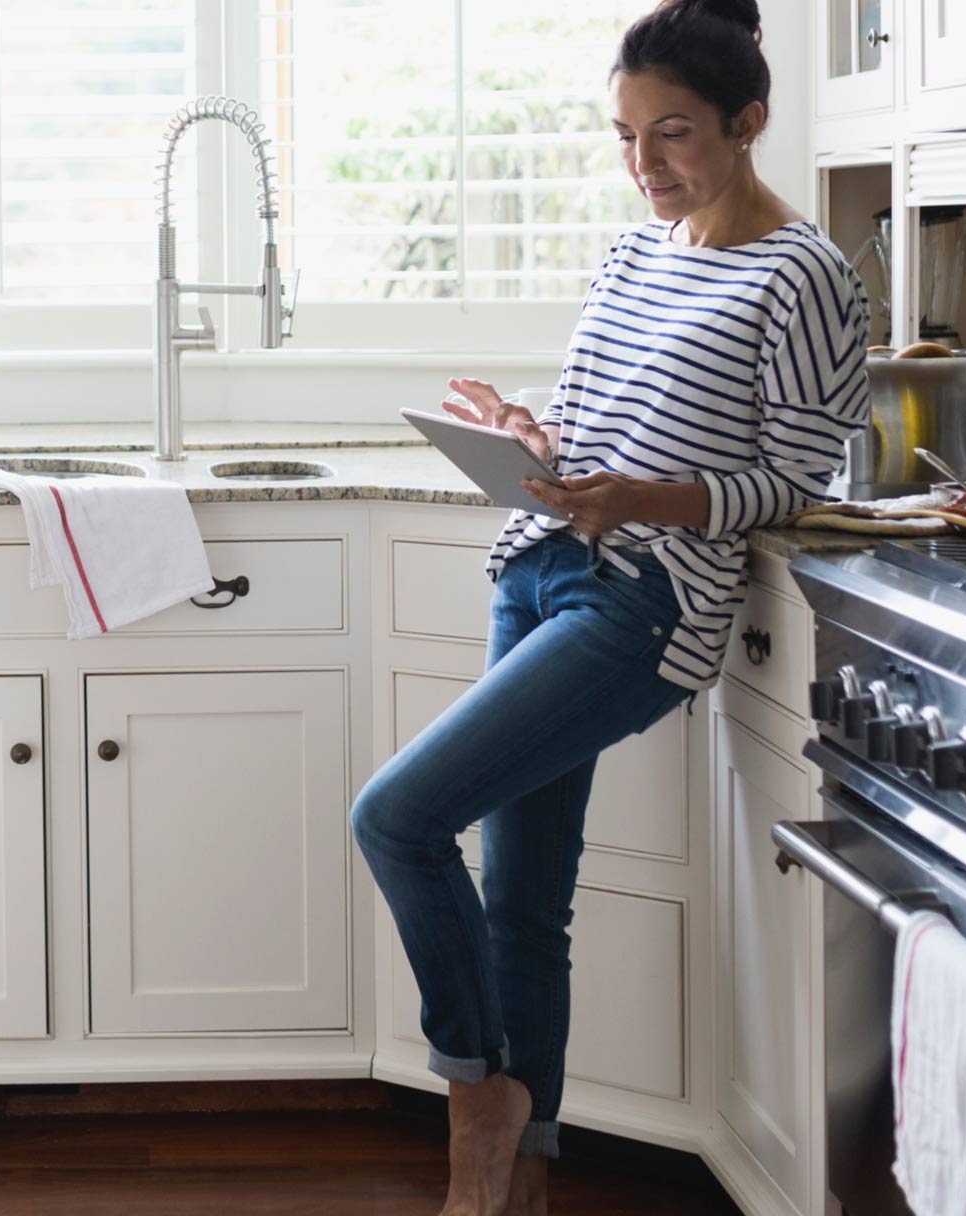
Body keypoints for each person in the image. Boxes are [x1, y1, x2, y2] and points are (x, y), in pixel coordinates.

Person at [350, 1, 872, 1212]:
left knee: (397, 818)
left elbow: (793, 481)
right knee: (523, 904)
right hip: (538, 566)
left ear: (751, 123)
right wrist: (532, 433)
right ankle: (510, 1181)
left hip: (641, 600)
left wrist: (642, 495)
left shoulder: (807, 274)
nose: (645, 166)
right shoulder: (639, 252)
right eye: (627, 137)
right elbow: (613, 416)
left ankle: (479, 1090)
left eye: (673, 135)